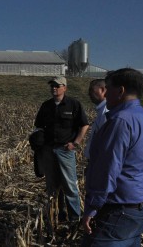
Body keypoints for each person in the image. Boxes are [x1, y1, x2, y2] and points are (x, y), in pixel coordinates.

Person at [82, 68, 143, 246]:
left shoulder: (120, 121)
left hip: (118, 210)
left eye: (108, 88)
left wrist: (92, 208)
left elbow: (107, 169)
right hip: (140, 206)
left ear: (121, 91)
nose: (105, 93)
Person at [34, 76, 89, 225]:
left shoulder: (73, 105)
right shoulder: (46, 106)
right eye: (52, 86)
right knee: (52, 186)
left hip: (65, 150)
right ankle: (56, 214)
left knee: (70, 185)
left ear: (65, 87)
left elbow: (84, 125)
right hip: (48, 150)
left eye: (57, 86)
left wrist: (75, 143)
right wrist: (37, 139)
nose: (54, 88)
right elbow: (38, 126)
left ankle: (74, 218)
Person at [83, 79, 108, 161]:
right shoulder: (102, 110)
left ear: (102, 90)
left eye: (91, 90)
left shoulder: (106, 111)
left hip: (99, 161)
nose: (89, 94)